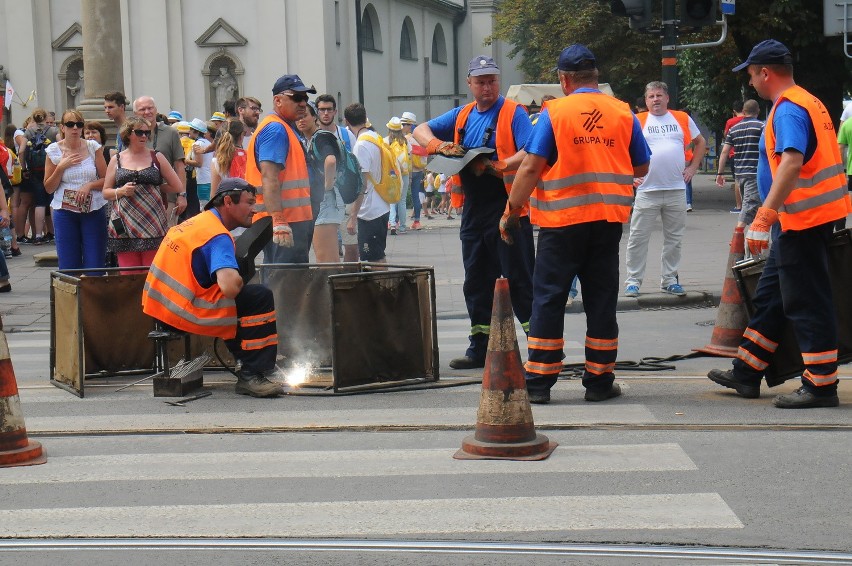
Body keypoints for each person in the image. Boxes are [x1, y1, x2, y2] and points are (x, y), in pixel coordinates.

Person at [500, 43, 650, 404]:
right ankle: (599, 382)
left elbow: (532, 166)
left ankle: (539, 382)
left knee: (549, 298)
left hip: (562, 223)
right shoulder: (622, 112)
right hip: (606, 222)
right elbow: (641, 166)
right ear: (594, 79)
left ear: (565, 80)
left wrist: (511, 212)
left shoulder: (555, 113)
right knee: (601, 300)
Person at [707, 39, 852, 408]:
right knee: (771, 296)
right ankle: (747, 371)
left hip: (801, 219)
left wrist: (765, 214)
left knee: (807, 300)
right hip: (805, 219)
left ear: (766, 73)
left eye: (753, 75)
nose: (751, 83)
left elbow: (791, 162)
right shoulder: (808, 100)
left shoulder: (788, 109)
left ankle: (821, 385)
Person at [413, 55, 534, 370]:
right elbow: (419, 130)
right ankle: (479, 346)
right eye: (480, 81)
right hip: (474, 212)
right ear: (469, 84)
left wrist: (499, 165)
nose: (487, 86)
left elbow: (530, 152)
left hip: (508, 208)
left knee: (519, 280)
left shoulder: (513, 112)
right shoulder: (462, 114)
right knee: (477, 281)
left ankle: (539, 349)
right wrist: (438, 145)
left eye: (492, 79)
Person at [142, 178, 283, 398]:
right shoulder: (218, 235)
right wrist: (239, 278)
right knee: (258, 296)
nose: (253, 210)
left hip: (161, 308)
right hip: (182, 312)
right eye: (249, 203)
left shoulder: (197, 222)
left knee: (233, 300)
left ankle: (246, 360)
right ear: (228, 201)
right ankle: (251, 372)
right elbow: (229, 288)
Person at [623, 81, 706, 298]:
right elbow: (622, 148)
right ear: (646, 100)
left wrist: (693, 168)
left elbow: (701, 142)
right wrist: (629, 176)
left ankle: (669, 280)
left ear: (667, 98)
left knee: (674, 239)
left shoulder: (681, 118)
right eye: (651, 96)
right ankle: (633, 282)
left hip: (676, 189)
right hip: (647, 190)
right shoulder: (637, 120)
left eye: (659, 95)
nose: (655, 100)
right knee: (638, 238)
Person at [245, 74, 316, 266]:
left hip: (290, 220)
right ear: (278, 100)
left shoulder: (284, 127)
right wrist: (278, 219)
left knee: (287, 282)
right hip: (285, 223)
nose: (303, 103)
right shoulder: (275, 129)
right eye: (296, 98)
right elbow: (269, 177)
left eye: (305, 98)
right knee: (285, 284)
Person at [102, 116, 184, 271]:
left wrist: (154, 188)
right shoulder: (117, 159)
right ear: (128, 134)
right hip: (125, 222)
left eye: (147, 133)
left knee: (151, 272)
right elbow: (106, 192)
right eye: (139, 132)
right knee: (128, 274)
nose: (144, 136)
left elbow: (177, 185)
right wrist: (121, 191)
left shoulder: (156, 157)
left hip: (152, 221)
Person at [42, 110, 108, 271]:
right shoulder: (53, 150)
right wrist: (61, 167)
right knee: (69, 265)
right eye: (70, 124)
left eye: (79, 125)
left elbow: (107, 180)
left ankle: (93, 295)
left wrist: (89, 186)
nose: (75, 128)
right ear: (62, 127)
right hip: (65, 211)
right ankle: (73, 295)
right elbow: (49, 187)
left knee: (95, 263)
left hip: (93, 208)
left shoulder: (93, 147)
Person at [315, 93, 359, 261]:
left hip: (345, 196)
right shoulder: (313, 137)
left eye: (329, 110)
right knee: (327, 251)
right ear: (317, 112)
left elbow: (356, 167)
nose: (325, 113)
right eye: (322, 110)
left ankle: (349, 282)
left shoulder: (347, 135)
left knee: (352, 248)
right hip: (322, 200)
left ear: (335, 112)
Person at [298, 101, 343, 263]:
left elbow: (330, 161)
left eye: (305, 116)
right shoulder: (310, 139)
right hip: (322, 201)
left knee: (327, 260)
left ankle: (331, 288)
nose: (301, 120)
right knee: (324, 258)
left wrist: (326, 187)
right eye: (298, 117)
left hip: (326, 201)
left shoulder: (321, 137)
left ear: (314, 117)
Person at [344, 102, 387, 264]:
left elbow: (362, 184)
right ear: (365, 118)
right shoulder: (376, 137)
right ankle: (385, 288)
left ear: (347, 122)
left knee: (372, 259)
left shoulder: (361, 145)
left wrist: (353, 216)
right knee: (378, 256)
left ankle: (383, 289)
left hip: (369, 211)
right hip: (382, 204)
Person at [133, 96, 188, 222]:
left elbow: (179, 165)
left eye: (150, 108)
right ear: (135, 113)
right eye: (142, 109)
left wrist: (182, 195)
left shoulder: (171, 132)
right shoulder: (130, 134)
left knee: (167, 237)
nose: (147, 112)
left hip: (167, 198)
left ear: (156, 110)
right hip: (137, 198)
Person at [715, 99, 764, 234]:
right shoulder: (761, 127)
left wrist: (720, 173)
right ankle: (739, 233)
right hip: (755, 172)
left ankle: (755, 238)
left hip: (739, 173)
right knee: (750, 204)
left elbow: (725, 151)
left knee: (751, 205)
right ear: (758, 111)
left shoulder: (734, 129)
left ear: (744, 111)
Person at [401, 111, 427, 229]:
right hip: (419, 170)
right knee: (416, 196)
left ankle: (396, 221)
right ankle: (417, 222)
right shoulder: (420, 139)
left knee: (400, 197)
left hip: (408, 171)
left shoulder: (406, 139)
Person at [385, 117, 410, 234]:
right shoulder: (405, 141)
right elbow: (409, 157)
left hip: (391, 173)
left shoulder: (386, 141)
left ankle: (392, 224)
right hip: (404, 173)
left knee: (391, 201)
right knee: (402, 200)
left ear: (389, 128)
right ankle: (403, 226)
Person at [211, 119, 247, 192]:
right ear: (241, 135)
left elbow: (214, 194)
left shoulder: (217, 161)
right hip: (249, 200)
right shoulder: (250, 156)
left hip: (228, 201)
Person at [723, 100, 745, 213]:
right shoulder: (749, 120)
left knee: (737, 179)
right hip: (748, 153)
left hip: (734, 153)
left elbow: (726, 135)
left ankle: (738, 205)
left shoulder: (731, 122)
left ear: (734, 111)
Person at [836, 103, 852, 229]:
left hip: (851, 171)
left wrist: (842, 171)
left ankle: (841, 232)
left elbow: (840, 147)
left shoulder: (847, 124)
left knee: (844, 203)